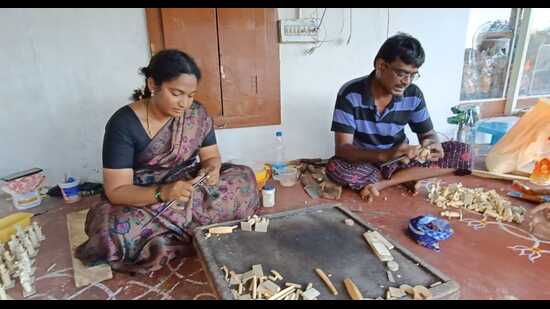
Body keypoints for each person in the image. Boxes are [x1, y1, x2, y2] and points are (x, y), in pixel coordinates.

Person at [75, 49, 260, 274]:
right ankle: (195, 226)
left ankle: (173, 231)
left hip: (188, 186)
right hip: (144, 195)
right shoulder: (123, 123)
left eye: (191, 95)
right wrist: (162, 193)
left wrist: (211, 169)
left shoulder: (196, 114)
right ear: (153, 85)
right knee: (115, 231)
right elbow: (116, 190)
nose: (185, 103)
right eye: (177, 93)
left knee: (244, 178)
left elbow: (211, 156)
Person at [327, 33, 472, 202]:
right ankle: (403, 178)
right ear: (381, 66)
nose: (407, 81)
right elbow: (343, 149)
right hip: (364, 160)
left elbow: (428, 134)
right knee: (334, 167)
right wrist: (384, 155)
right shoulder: (350, 94)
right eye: (402, 73)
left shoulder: (413, 94)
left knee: (464, 153)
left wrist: (432, 144)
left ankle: (383, 182)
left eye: (413, 74)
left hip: (399, 160)